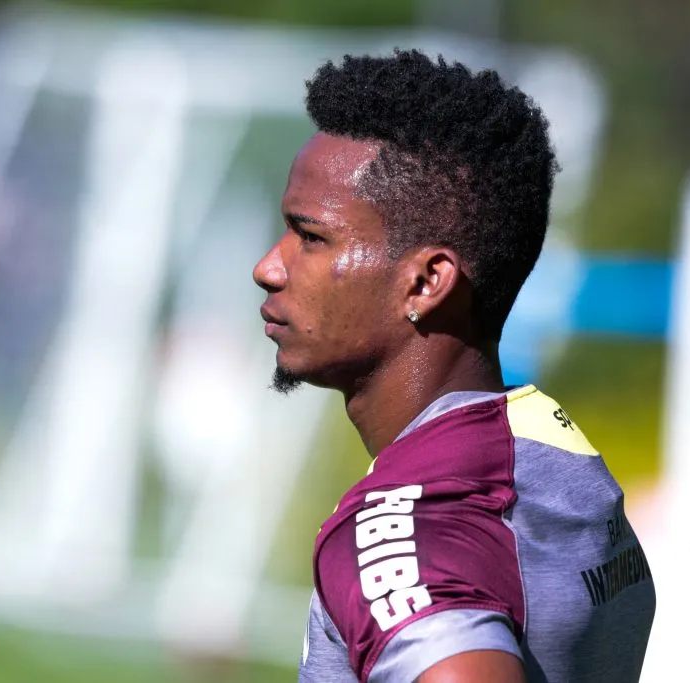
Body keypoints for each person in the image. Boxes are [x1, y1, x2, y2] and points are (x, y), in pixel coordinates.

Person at [252, 49, 656, 683]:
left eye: (311, 237)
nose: (269, 268)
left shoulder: (407, 529)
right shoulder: (547, 455)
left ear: (426, 282)